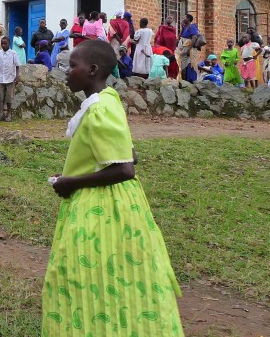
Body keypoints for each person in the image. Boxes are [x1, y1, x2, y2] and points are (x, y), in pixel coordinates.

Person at [43, 39, 183, 336]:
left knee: (81, 274)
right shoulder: (108, 100)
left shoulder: (99, 110)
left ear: (92, 70)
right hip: (121, 205)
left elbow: (124, 169)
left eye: (72, 66)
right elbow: (128, 153)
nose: (66, 72)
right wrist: (76, 172)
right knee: (120, 274)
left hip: (100, 209)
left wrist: (71, 181)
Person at [0, 36, 20, 122]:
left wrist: (17, 76)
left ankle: (9, 114)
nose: (3, 45)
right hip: (0, 79)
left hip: (10, 78)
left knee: (9, 97)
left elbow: (17, 65)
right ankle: (1, 114)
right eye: (2, 44)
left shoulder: (13, 53)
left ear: (9, 44)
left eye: (5, 43)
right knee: (0, 97)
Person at [178, 14, 200, 82]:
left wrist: (189, 49)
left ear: (188, 19)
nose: (183, 18)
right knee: (183, 64)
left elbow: (194, 38)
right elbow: (180, 37)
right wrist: (182, 27)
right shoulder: (185, 27)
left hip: (189, 48)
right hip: (183, 47)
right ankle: (185, 79)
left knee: (190, 63)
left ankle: (191, 79)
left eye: (184, 17)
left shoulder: (192, 26)